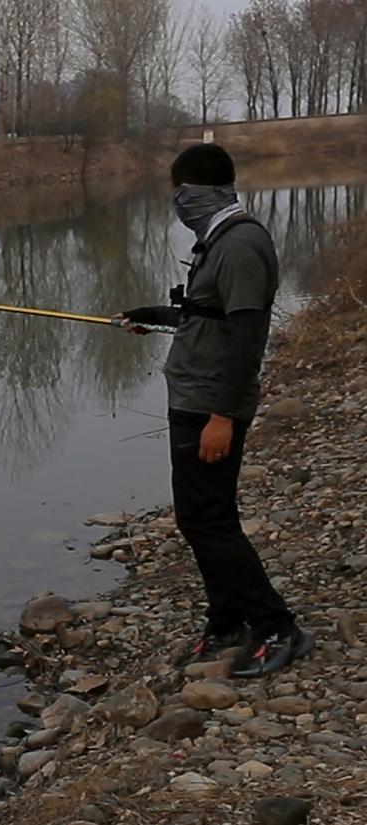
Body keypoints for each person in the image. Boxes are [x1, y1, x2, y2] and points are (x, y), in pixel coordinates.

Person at [119, 143, 313, 678]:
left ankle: (279, 628)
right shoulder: (218, 240)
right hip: (194, 395)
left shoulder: (242, 244)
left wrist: (223, 417)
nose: (176, 203)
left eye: (179, 193)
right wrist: (152, 316)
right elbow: (208, 314)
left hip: (210, 403)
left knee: (208, 519)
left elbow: (248, 336)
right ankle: (228, 620)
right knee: (201, 516)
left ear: (199, 192)